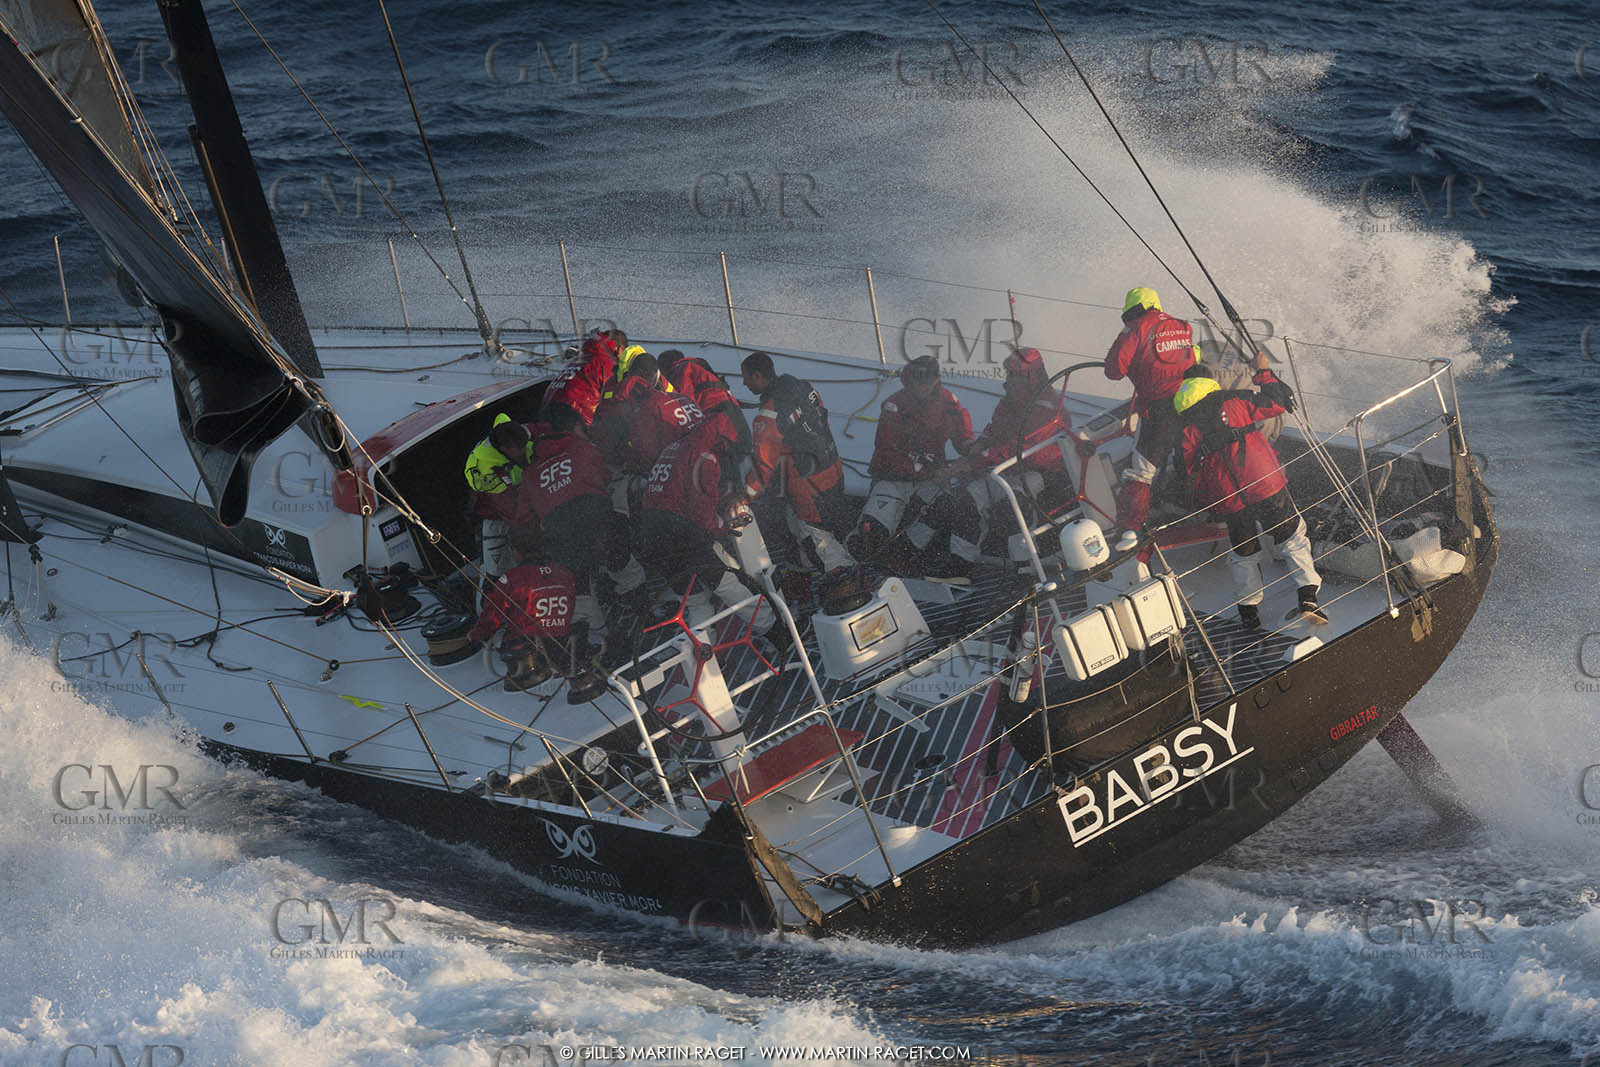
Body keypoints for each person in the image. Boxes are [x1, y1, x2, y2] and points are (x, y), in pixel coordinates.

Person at [1172, 355, 1324, 629]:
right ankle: (1308, 596)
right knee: (1290, 535)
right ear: (1209, 382)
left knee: (1244, 550)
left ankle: (1249, 611)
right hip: (1262, 480)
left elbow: (1184, 469)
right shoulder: (1235, 401)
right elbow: (1279, 403)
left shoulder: (1186, 424)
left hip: (1227, 495)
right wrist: (1263, 371)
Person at [633, 419, 775, 635]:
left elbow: (675, 493)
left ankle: (704, 661)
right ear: (722, 441)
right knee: (730, 583)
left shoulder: (672, 448)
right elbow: (701, 514)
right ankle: (775, 630)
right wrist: (725, 527)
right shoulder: (705, 457)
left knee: (696, 602)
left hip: (652, 536)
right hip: (682, 536)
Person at [939, 346, 1074, 564]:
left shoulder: (1047, 407)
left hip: (1045, 473)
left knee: (1013, 503)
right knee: (968, 498)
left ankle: (1026, 566)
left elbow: (1022, 449)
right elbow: (995, 428)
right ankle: (959, 566)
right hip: (1009, 469)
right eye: (1009, 373)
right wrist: (980, 444)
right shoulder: (1010, 401)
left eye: (1014, 373)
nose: (1008, 378)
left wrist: (975, 460)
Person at [513, 405, 635, 634]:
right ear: (572, 429)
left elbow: (524, 520)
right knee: (624, 566)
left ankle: (599, 642)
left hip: (561, 537)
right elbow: (605, 474)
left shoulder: (530, 473)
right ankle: (642, 614)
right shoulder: (581, 447)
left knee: (581, 590)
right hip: (597, 520)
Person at [850, 355, 975, 564]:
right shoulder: (894, 406)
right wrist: (929, 472)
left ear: (936, 379)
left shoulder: (949, 402)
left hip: (930, 480)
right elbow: (887, 453)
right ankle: (853, 565)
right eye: (919, 380)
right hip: (892, 479)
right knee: (872, 529)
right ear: (910, 379)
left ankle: (905, 553)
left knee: (946, 508)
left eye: (929, 380)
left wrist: (970, 449)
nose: (924, 386)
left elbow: (962, 438)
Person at [738, 351, 855, 572]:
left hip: (807, 488)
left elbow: (763, 467)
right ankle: (809, 585)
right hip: (833, 471)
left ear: (758, 376)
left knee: (818, 544)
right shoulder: (804, 387)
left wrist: (744, 497)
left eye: (746, 378)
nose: (744, 383)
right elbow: (820, 420)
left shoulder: (768, 416)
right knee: (835, 531)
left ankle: (853, 586)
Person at [1104, 286, 1202, 549]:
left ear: (1132, 310)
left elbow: (1113, 371)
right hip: (1191, 402)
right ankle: (1196, 507)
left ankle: (1130, 532)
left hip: (1160, 410)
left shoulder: (1135, 329)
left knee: (1140, 473)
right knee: (1190, 457)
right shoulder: (1181, 326)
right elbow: (1194, 357)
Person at [468, 526, 580, 690]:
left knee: (496, 635)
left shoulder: (511, 579)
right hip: (561, 646)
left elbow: (491, 618)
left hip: (528, 655)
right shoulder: (565, 573)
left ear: (514, 550)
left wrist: (475, 635)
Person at [463, 412, 535, 580]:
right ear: (505, 449)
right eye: (520, 449)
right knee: (495, 572)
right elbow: (509, 506)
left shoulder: (518, 438)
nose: (525, 451)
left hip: (525, 502)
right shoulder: (484, 468)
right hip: (495, 516)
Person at [659, 349, 751, 458]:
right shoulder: (696, 367)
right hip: (734, 412)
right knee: (743, 451)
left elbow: (685, 404)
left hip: (718, 415)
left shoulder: (679, 370)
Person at [542, 328, 626, 428]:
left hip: (546, 413)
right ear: (620, 349)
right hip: (574, 418)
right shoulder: (608, 364)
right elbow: (613, 402)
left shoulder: (576, 362)